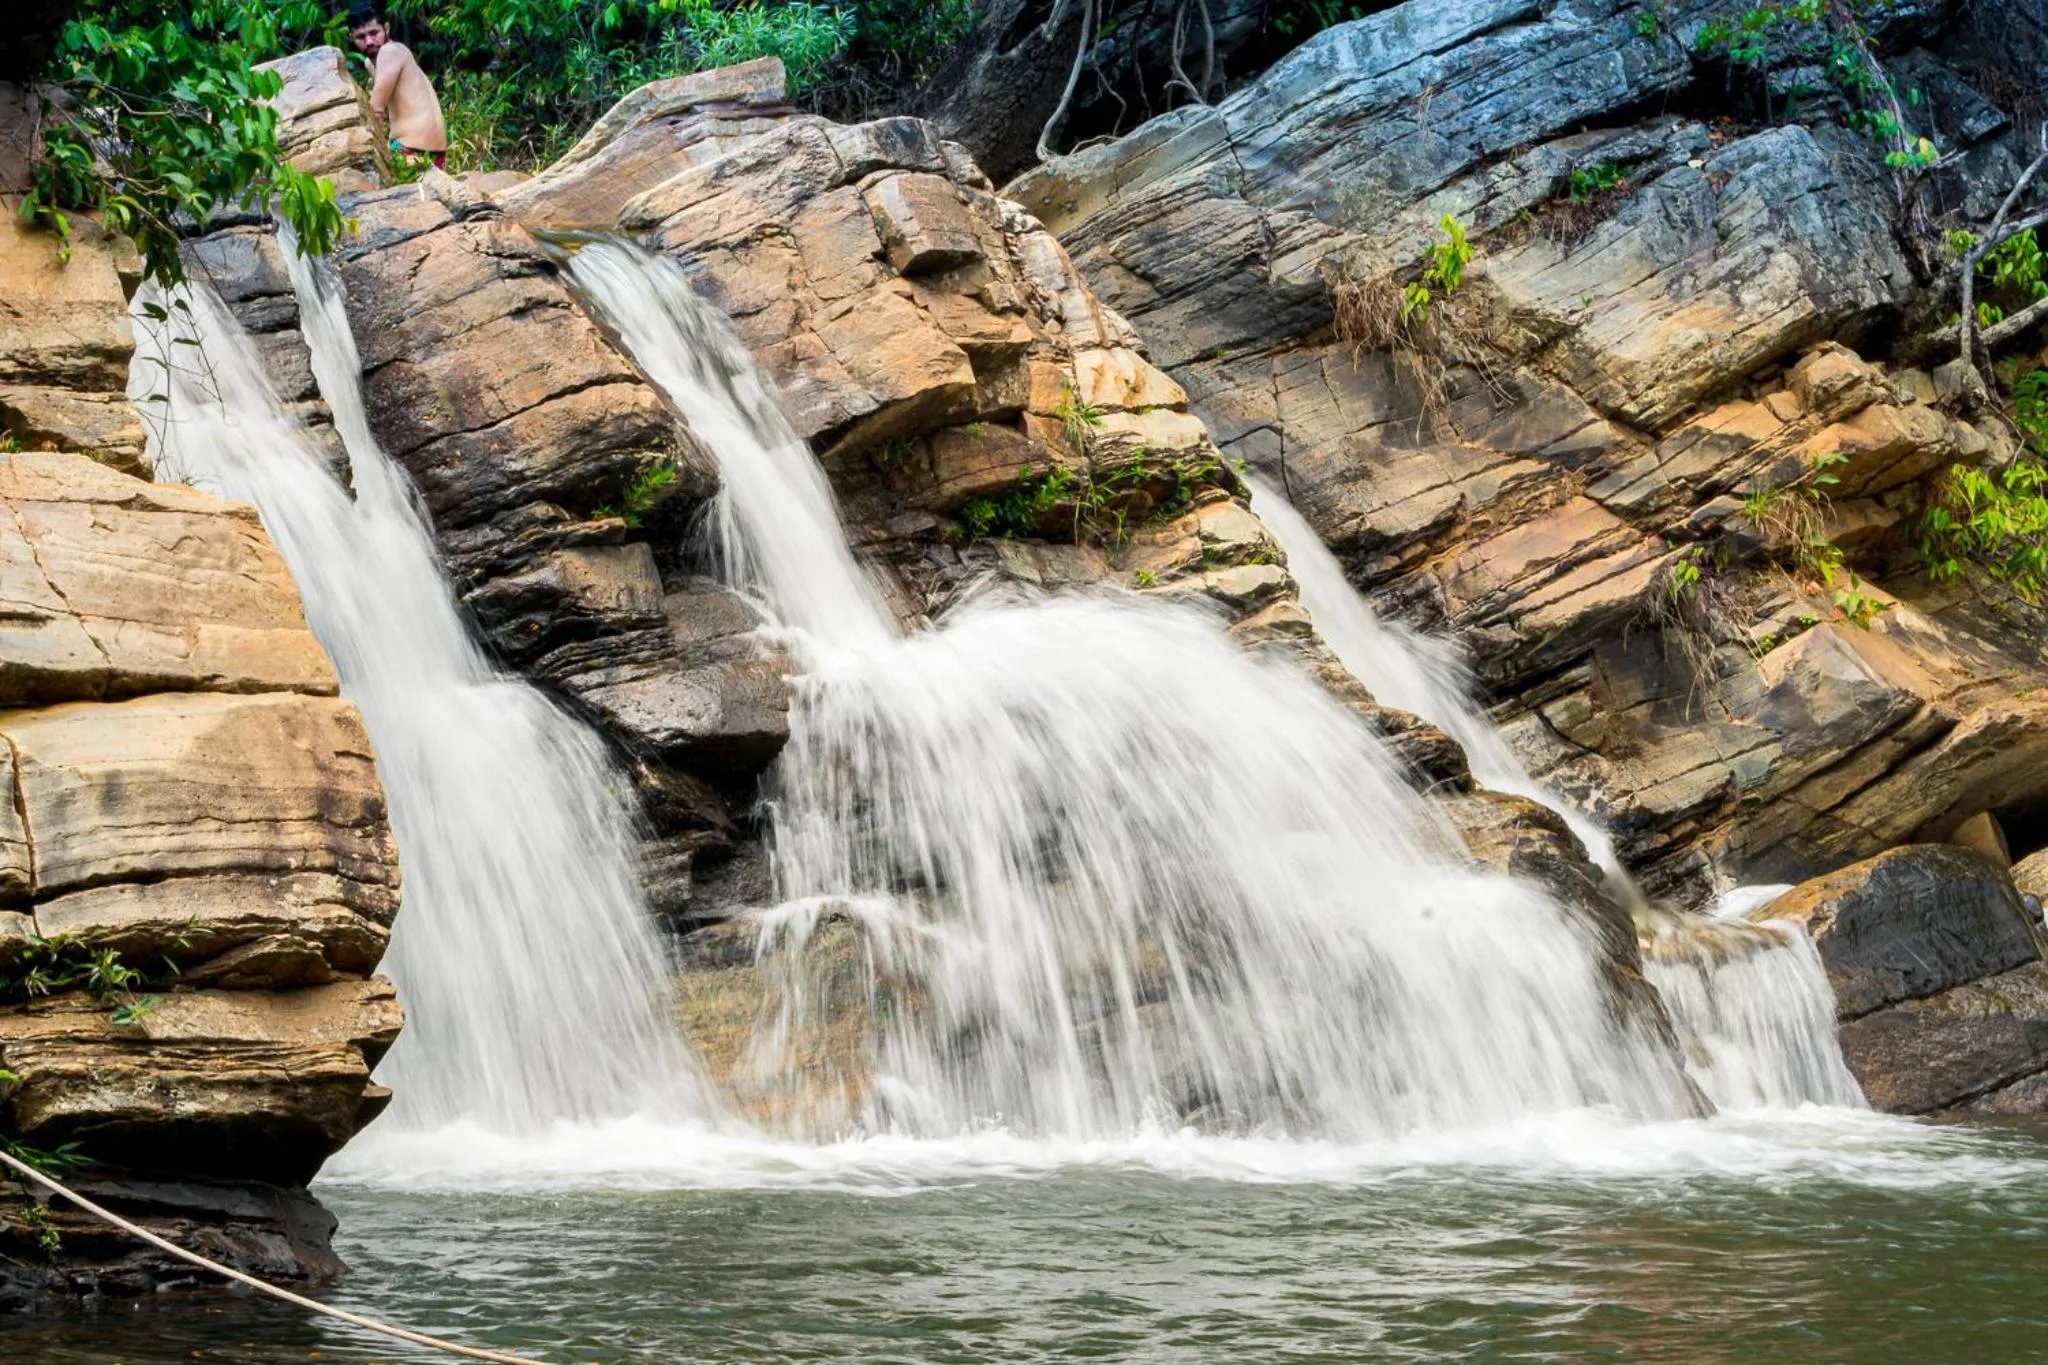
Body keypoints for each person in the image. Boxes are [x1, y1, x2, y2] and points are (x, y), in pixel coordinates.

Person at [347, 3, 448, 170]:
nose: (369, 41)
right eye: (361, 37)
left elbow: (376, 112)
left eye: (374, 33)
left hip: (410, 150)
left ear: (386, 28)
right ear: (351, 38)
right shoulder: (387, 57)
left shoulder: (390, 51)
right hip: (436, 153)